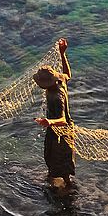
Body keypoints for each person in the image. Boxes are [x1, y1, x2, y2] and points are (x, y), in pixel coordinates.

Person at [33, 38, 75, 190]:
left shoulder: (55, 97)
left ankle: (67, 187)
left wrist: (49, 122)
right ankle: (54, 179)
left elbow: (63, 119)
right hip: (54, 128)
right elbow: (67, 73)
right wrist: (63, 54)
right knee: (51, 157)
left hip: (61, 131)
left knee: (61, 158)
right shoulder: (61, 80)